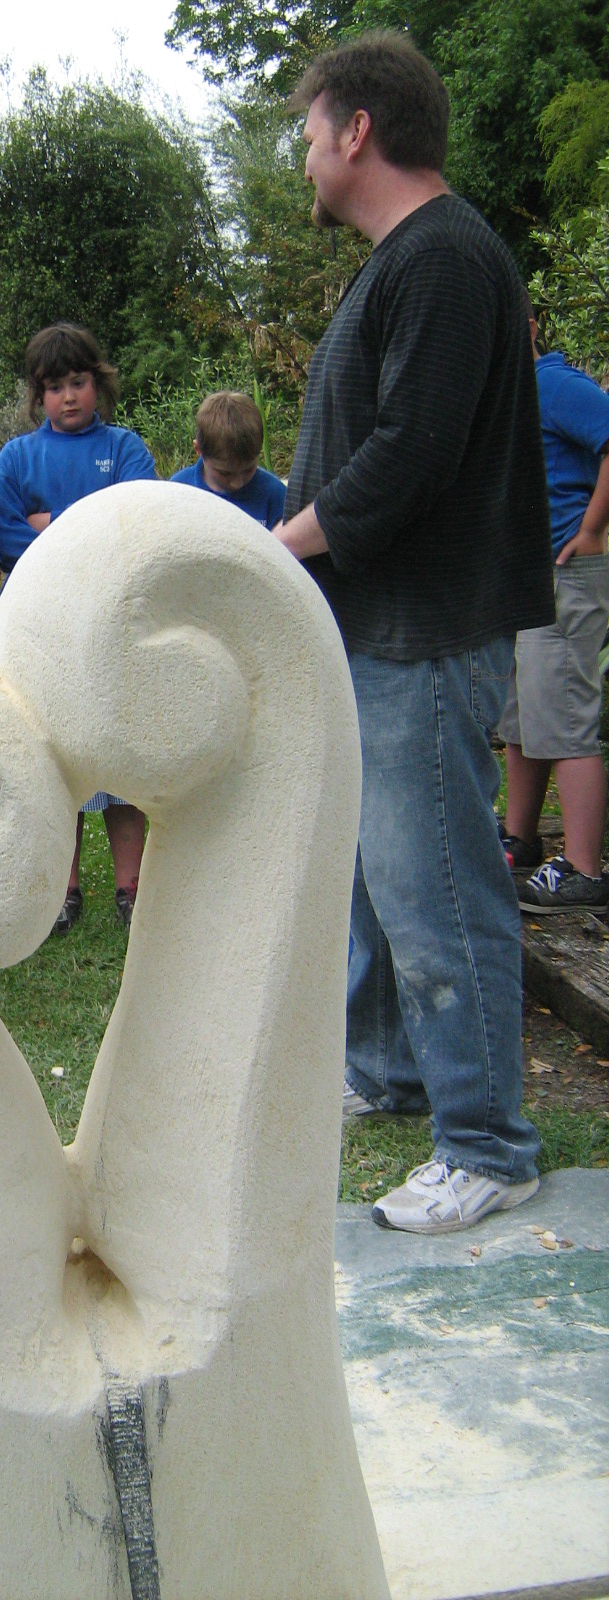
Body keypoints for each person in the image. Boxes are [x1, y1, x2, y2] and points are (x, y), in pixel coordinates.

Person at [276, 32, 553, 1232]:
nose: (302, 155)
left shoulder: (441, 256)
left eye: (307, 131)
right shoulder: (409, 258)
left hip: (426, 632)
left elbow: (412, 453)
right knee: (376, 877)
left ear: (356, 131)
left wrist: (269, 549)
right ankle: (389, 1073)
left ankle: (488, 1144)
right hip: (380, 627)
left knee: (436, 883)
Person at [0, 323, 155, 931]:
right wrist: (77, 526)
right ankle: (64, 889)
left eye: (78, 382)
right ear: (39, 395)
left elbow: (135, 521)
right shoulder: (17, 457)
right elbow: (1, 531)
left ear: (97, 383)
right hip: (46, 634)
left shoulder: (128, 447)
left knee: (123, 761)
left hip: (116, 632)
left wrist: (50, 524)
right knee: (55, 759)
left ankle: (133, 888)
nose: (68, 397)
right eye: (54, 387)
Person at [500, 321, 609, 912]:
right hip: (528, 578)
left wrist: (592, 529)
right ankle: (520, 839)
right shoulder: (511, 395)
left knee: (564, 716)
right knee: (524, 715)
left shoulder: (555, 385)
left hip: (567, 569)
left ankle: (586, 868)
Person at [170, 390, 286, 530]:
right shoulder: (178, 490)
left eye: (248, 469)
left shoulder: (275, 496)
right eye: (225, 473)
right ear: (198, 449)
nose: (237, 483)